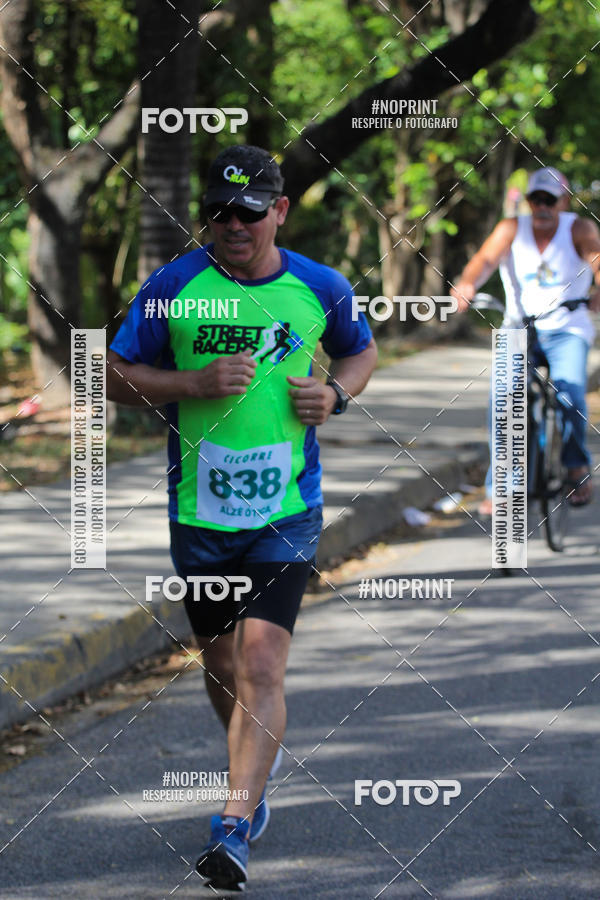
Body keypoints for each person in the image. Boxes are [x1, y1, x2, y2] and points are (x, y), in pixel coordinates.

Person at [106, 144, 377, 890]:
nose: (233, 226)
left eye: (249, 213)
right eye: (220, 214)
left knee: (261, 664)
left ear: (279, 211)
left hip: (286, 511)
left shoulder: (318, 286)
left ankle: (232, 825)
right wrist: (187, 380)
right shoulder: (173, 288)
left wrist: (338, 396)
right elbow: (111, 373)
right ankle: (250, 756)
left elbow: (360, 352)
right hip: (199, 516)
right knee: (222, 666)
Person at [451, 166, 600, 513]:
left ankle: (576, 465)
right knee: (501, 400)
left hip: (568, 329)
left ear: (564, 201)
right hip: (518, 328)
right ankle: (499, 487)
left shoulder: (579, 227)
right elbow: (483, 260)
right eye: (537, 199)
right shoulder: (511, 228)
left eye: (551, 200)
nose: (543, 207)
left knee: (571, 394)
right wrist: (468, 283)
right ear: (530, 202)